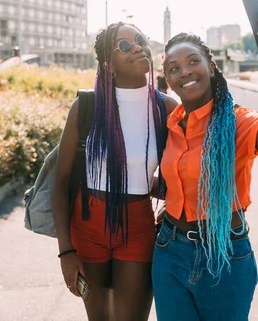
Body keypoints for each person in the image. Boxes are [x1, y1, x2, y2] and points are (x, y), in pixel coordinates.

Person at [152, 17, 258, 321]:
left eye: (193, 61)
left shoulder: (238, 122)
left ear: (211, 68)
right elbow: (178, 181)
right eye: (173, 68)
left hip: (223, 256)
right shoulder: (171, 123)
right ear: (168, 80)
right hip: (168, 252)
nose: (184, 71)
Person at [51, 22, 178, 321]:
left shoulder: (166, 108)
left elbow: (185, 170)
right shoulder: (86, 106)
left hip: (138, 227)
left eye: (140, 40)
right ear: (108, 65)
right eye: (124, 46)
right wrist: (66, 254)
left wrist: (172, 200)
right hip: (87, 226)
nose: (136, 47)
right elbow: (61, 182)